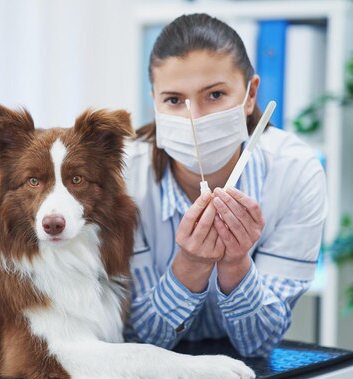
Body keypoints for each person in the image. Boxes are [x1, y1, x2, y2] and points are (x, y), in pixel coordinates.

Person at [124, 13, 327, 357]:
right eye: (174, 100)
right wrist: (189, 265)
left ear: (250, 95)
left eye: (215, 94)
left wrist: (235, 265)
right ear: (153, 102)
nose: (195, 118)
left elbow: (260, 343)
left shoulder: (296, 173)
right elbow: (143, 340)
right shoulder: (125, 178)